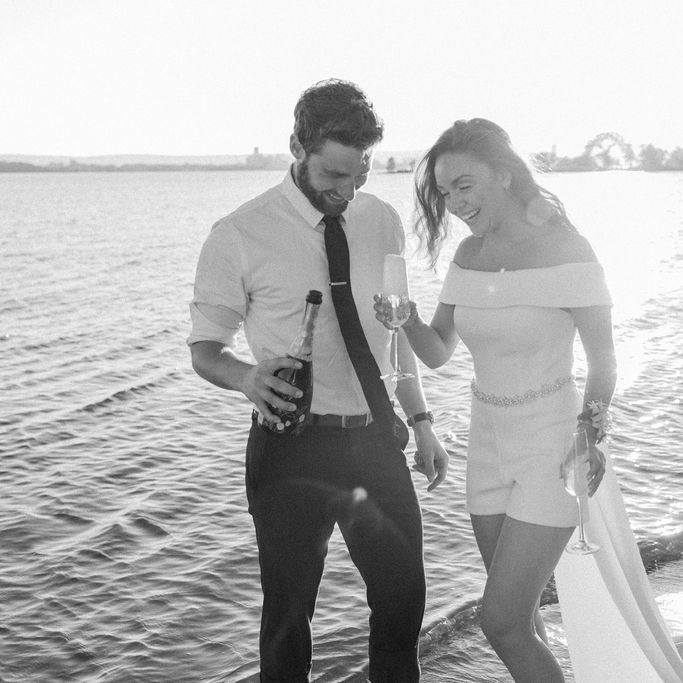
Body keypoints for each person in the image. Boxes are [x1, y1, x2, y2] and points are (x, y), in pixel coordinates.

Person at [375, 118, 683, 681]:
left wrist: (589, 435)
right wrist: (403, 320)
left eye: (464, 186)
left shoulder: (568, 249)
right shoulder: (468, 257)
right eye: (445, 193)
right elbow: (438, 351)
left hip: (553, 446)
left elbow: (604, 362)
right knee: (520, 618)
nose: (454, 204)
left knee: (498, 622)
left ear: (503, 174)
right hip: (486, 444)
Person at [188, 79, 449, 682]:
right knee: (287, 616)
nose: (348, 190)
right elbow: (205, 350)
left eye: (360, 174)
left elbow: (394, 330)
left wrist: (422, 422)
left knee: (403, 601)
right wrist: (247, 377)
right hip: (290, 447)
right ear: (297, 148)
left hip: (375, 440)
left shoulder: (381, 221)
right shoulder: (239, 234)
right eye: (334, 174)